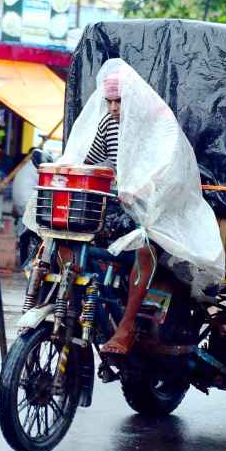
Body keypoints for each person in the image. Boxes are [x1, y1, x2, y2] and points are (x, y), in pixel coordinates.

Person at [83, 71, 156, 356]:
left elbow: (164, 165)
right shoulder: (106, 124)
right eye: (109, 101)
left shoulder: (151, 127)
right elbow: (87, 159)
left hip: (153, 206)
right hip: (120, 203)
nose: (113, 108)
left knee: (144, 249)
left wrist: (141, 186)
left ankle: (125, 327)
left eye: (119, 102)